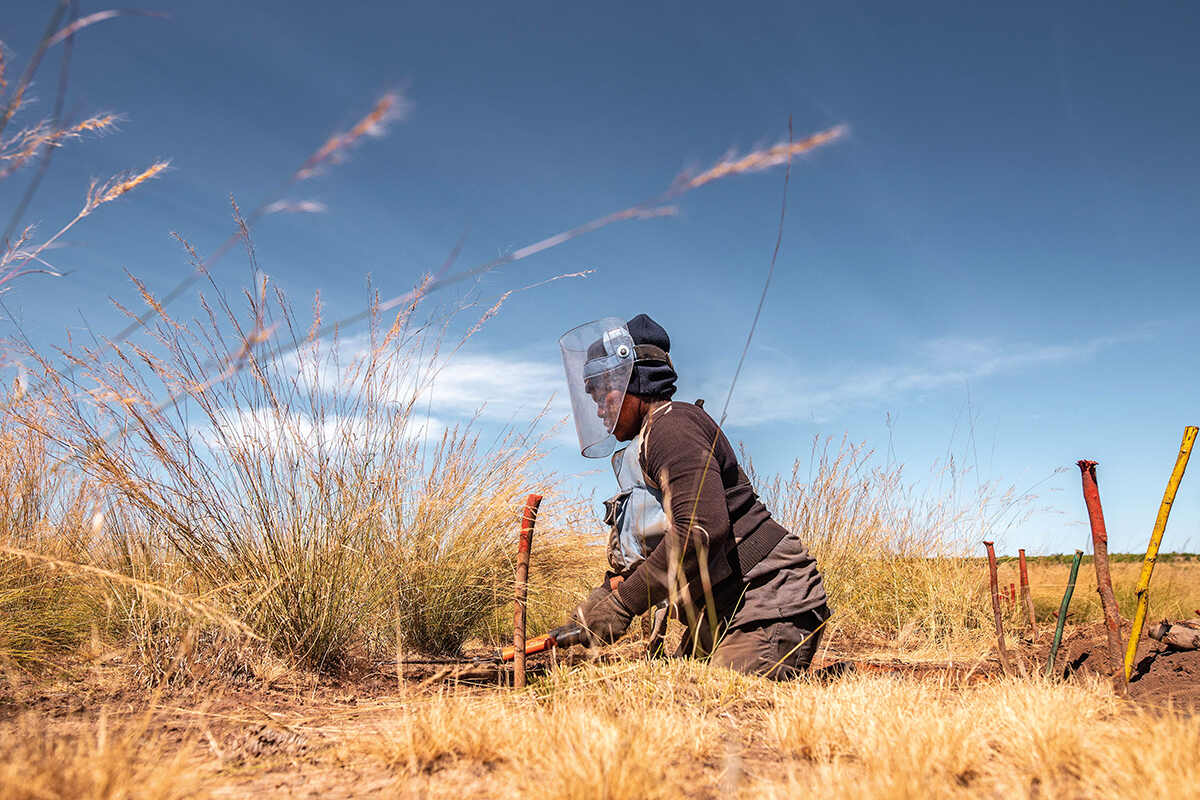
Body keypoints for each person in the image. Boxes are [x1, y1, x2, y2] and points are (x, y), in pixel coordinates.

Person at [557, 314, 830, 679]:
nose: (598, 409)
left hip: (767, 601)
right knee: (669, 686)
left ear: (632, 381)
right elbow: (665, 539)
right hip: (724, 608)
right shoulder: (651, 436)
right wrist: (609, 592)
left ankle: (828, 679)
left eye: (602, 393)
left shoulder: (673, 427)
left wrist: (623, 605)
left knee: (714, 699)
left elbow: (698, 531)